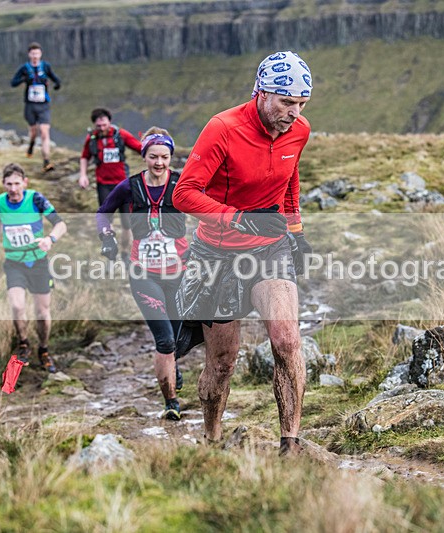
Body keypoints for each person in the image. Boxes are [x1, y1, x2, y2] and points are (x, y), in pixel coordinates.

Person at [172, 51, 314, 454]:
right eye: (287, 102)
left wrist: (297, 231)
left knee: (286, 340)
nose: (294, 112)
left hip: (270, 249)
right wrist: (237, 218)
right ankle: (212, 439)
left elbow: (290, 179)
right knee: (223, 361)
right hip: (215, 254)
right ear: (262, 92)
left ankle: (291, 444)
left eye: (301, 104)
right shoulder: (223, 128)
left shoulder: (299, 131)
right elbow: (184, 194)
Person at [96, 128, 188, 420]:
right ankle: (171, 403)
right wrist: (106, 237)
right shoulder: (129, 186)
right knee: (165, 341)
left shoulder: (183, 182)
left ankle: (172, 366)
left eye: (164, 157)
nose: (159, 162)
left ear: (171, 157)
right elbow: (102, 212)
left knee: (179, 340)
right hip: (143, 273)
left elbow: (208, 208)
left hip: (179, 273)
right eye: (153, 157)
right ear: (144, 156)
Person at [0, 163, 67, 373]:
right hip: (14, 263)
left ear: (25, 182)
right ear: (3, 184)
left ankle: (44, 349)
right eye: (9, 184)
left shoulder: (36, 199)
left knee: (42, 312)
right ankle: (23, 343)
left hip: (38, 262)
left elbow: (60, 224)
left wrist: (50, 239)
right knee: (17, 305)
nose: (13, 188)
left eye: (17, 183)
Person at [80, 108, 142, 262]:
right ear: (95, 125)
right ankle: (111, 252)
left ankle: (126, 254)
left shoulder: (120, 135)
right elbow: (84, 157)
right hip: (104, 185)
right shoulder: (92, 138)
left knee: (127, 223)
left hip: (123, 185)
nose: (102, 128)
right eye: (98, 126)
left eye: (104, 124)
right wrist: (82, 175)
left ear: (109, 122)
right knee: (107, 221)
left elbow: (140, 148)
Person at [10, 42, 61, 172]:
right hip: (30, 105)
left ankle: (46, 161)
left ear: (40, 54)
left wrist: (57, 84)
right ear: (29, 54)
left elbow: (55, 78)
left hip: (43, 104)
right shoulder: (25, 68)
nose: (35, 56)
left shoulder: (45, 66)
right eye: (33, 53)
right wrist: (23, 80)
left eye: (37, 53)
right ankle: (31, 146)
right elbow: (13, 83)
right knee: (33, 132)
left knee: (44, 132)